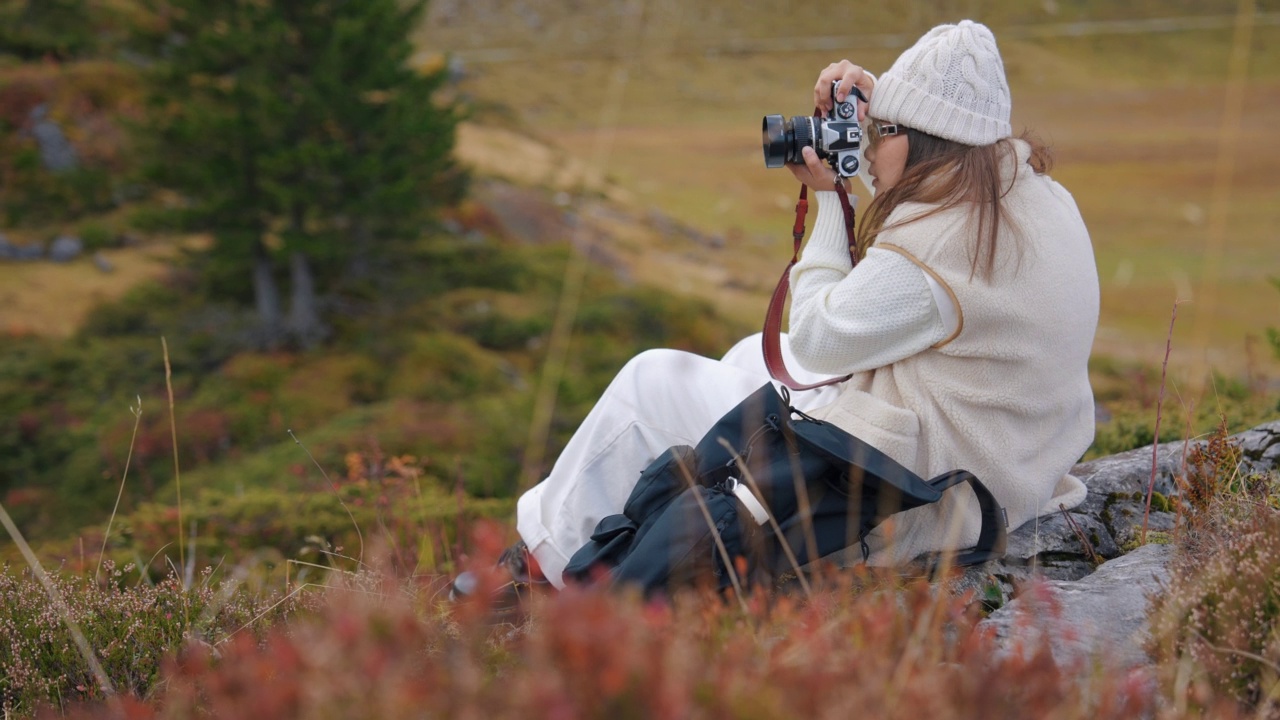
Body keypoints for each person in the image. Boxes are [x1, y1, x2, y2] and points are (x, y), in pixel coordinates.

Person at [458, 19, 1099, 599]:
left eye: (884, 133)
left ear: (929, 141)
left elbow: (819, 338)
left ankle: (538, 571)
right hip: (1004, 457)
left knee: (651, 383)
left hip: (916, 492)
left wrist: (828, 200)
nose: (871, 150)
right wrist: (878, 109)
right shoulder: (1024, 193)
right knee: (746, 356)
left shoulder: (944, 248)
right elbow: (927, 186)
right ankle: (639, 539)